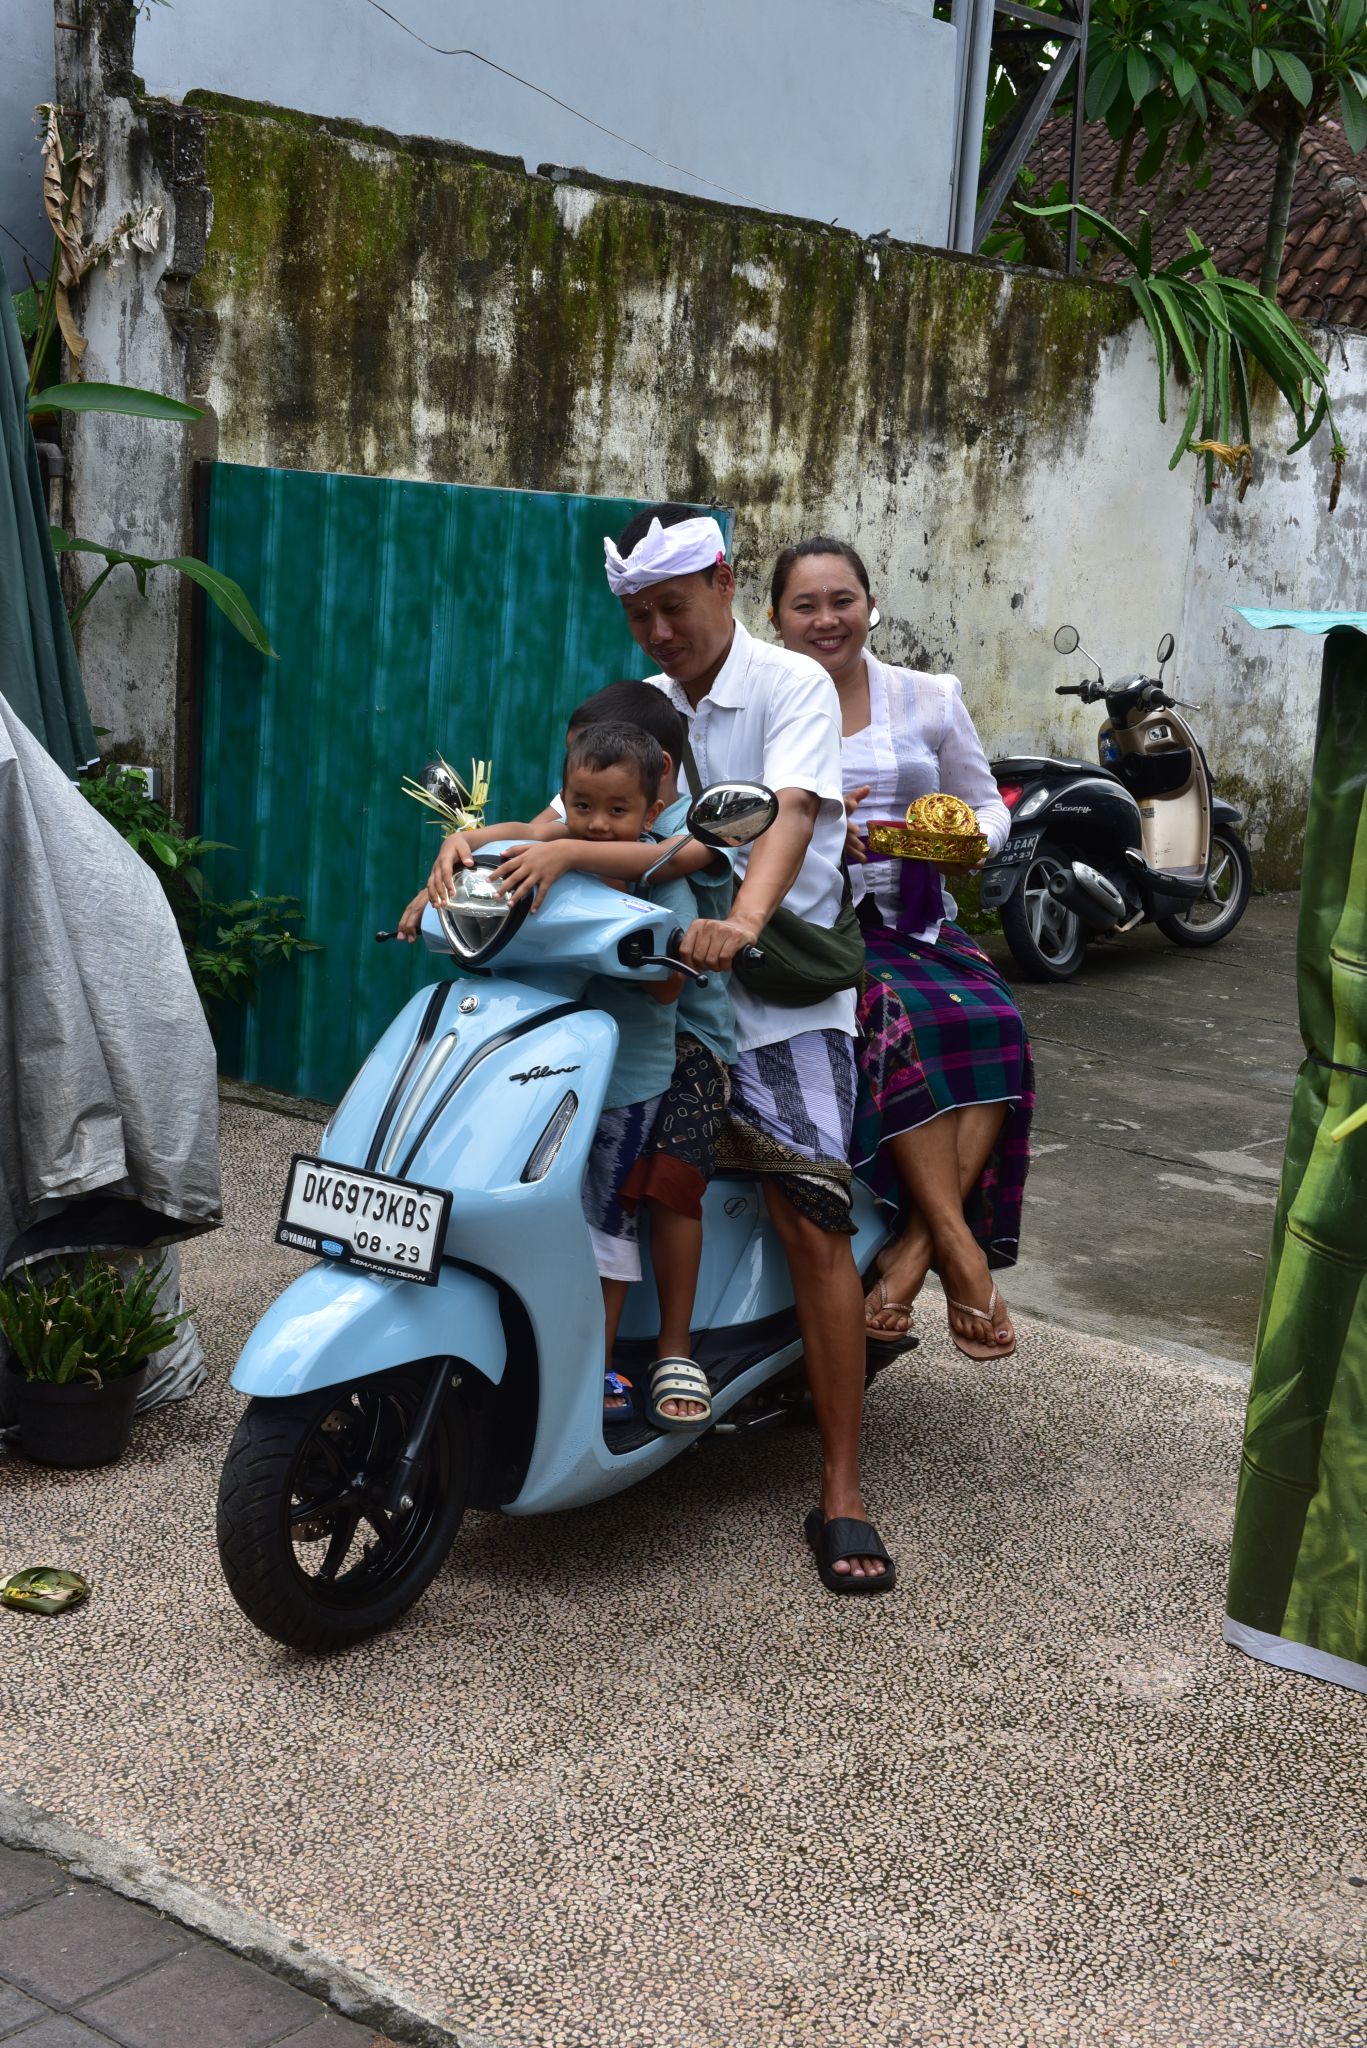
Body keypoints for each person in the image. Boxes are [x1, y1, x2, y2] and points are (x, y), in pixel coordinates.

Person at [598, 502, 894, 1594]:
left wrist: (743, 922)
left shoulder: (790, 685)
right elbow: (580, 808)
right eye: (638, 615)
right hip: (672, 991)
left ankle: (841, 1487)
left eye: (672, 607)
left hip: (781, 995)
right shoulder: (644, 704)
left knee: (810, 1216)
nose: (657, 633)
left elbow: (789, 815)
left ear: (724, 583)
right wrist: (482, 850)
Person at [404, 693, 733, 1432]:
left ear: (655, 798)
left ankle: (605, 1364)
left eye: (615, 810)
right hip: (550, 1062)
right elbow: (524, 839)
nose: (593, 823)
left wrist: (621, 932)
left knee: (608, 1223)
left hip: (633, 1074)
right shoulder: (562, 846)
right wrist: (458, 854)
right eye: (581, 805)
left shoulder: (663, 867)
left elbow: (669, 982)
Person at [769, 536, 1033, 1363]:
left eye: (841, 600)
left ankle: (917, 1252)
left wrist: (969, 844)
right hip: (818, 926)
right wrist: (821, 830)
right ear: (775, 619)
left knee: (996, 1021)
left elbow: (987, 805)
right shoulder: (767, 703)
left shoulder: (928, 697)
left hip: (918, 921)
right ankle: (954, 1253)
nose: (825, 619)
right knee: (902, 1019)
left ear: (870, 605)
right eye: (805, 605)